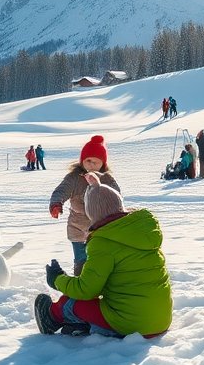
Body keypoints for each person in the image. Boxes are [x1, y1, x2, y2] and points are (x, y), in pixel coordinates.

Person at [35, 173, 173, 338]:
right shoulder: (142, 232)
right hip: (161, 321)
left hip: (133, 325)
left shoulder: (103, 243)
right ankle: (87, 323)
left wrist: (58, 279)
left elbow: (86, 290)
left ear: (92, 215)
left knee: (72, 303)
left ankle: (51, 317)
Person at [48, 136, 121, 274]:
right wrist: (56, 204)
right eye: (88, 161)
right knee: (81, 261)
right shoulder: (74, 178)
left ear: (103, 163)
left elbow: (116, 196)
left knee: (100, 260)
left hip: (101, 230)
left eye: (96, 162)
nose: (91, 165)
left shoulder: (107, 179)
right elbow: (61, 190)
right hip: (78, 229)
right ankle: (80, 285)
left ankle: (100, 285)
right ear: (82, 161)